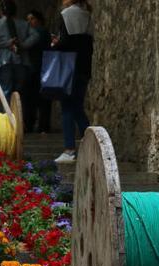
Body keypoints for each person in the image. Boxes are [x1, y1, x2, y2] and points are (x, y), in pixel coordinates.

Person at [51, 0, 93, 163]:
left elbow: (65, 43)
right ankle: (89, 142)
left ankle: (69, 150)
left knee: (67, 108)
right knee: (77, 107)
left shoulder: (66, 14)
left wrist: (55, 44)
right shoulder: (87, 15)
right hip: (84, 67)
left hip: (69, 68)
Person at [0, 0, 39, 99]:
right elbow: (35, 36)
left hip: (3, 61)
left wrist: (5, 43)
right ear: (16, 11)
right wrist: (23, 45)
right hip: (21, 61)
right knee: (19, 92)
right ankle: (17, 112)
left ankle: (8, 113)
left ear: (1, 11)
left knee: (6, 90)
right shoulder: (23, 24)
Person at [25, 10, 53, 133]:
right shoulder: (45, 32)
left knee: (32, 97)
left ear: (39, 19)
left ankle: (31, 124)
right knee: (43, 98)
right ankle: (43, 125)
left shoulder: (37, 33)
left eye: (32, 18)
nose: (29, 21)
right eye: (28, 19)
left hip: (36, 68)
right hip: (43, 67)